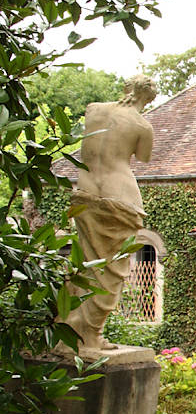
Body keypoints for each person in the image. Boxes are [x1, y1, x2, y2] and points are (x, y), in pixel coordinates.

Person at [61, 74, 157, 351]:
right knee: (112, 269)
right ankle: (91, 334)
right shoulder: (142, 125)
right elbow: (143, 157)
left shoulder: (94, 110)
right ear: (149, 98)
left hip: (86, 190)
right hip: (120, 195)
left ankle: (68, 331)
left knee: (83, 264)